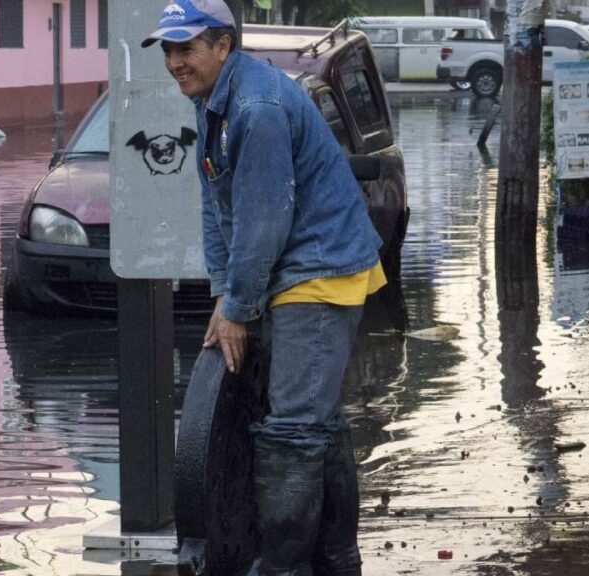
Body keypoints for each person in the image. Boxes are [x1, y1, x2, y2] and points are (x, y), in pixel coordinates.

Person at [142, 1, 385, 574]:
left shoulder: (257, 107)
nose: (176, 62)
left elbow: (265, 220)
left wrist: (238, 308)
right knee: (315, 421)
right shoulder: (214, 99)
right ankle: (336, 557)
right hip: (293, 267)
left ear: (223, 44)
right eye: (169, 51)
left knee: (294, 428)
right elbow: (215, 202)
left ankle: (283, 566)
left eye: (188, 48)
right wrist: (225, 291)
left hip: (318, 270)